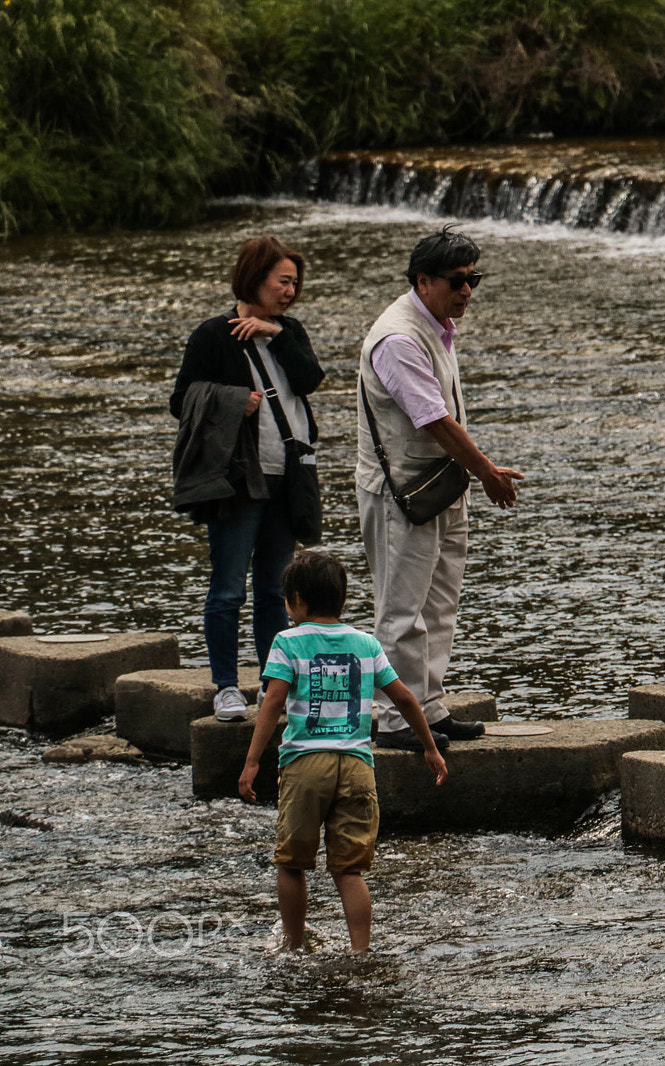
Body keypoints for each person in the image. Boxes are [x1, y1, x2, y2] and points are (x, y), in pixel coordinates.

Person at [356, 227, 523, 752]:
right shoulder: (400, 338)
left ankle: (427, 708)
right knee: (401, 610)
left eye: (474, 279)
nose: (467, 290)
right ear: (423, 281)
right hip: (401, 495)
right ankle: (394, 719)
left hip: (437, 487)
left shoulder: (437, 325)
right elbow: (434, 420)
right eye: (457, 280)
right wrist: (487, 472)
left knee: (439, 605)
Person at [239, 550, 447, 953]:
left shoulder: (287, 641)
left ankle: (293, 946)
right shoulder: (365, 644)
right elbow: (404, 699)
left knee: (292, 862)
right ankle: (360, 952)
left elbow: (272, 704)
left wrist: (251, 762)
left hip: (305, 764)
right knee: (350, 870)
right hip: (356, 766)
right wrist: (429, 747)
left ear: (296, 599)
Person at [171, 236, 323, 722]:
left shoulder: (290, 331)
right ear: (255, 278)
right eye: (283, 281)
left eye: (295, 282)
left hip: (289, 476)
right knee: (228, 588)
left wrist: (275, 335)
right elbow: (181, 401)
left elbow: (309, 380)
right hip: (238, 479)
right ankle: (224, 687)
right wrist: (236, 400)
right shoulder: (214, 335)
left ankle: (269, 688)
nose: (291, 290)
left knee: (275, 592)